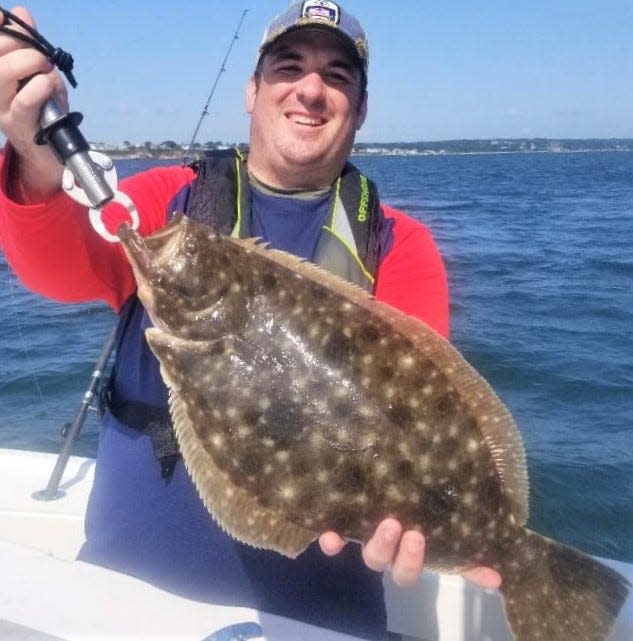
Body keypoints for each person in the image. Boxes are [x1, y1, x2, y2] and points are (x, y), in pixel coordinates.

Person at [0, 2, 500, 639]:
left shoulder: (398, 246)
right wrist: (34, 151)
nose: (311, 89)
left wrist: (440, 524)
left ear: (361, 109)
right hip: (118, 599)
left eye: (337, 76)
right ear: (252, 92)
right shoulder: (167, 201)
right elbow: (58, 266)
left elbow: (420, 418)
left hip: (319, 621)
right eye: (288, 68)